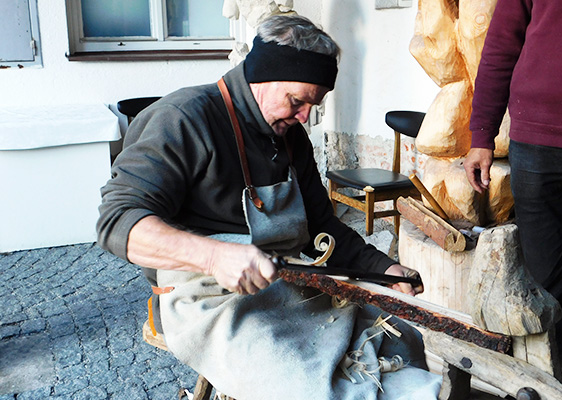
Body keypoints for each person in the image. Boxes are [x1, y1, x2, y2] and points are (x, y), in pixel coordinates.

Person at [97, 14, 441, 399]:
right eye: (297, 101)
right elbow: (116, 223)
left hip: (290, 286)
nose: (305, 117)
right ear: (260, 77)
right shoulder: (183, 118)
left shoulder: (290, 136)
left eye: (314, 105)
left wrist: (383, 268)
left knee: (401, 340)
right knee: (312, 388)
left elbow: (322, 228)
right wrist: (214, 258)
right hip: (208, 300)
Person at [464, 0, 562, 369]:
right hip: (536, 140)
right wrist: (482, 135)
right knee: (543, 281)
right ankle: (560, 379)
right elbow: (501, 42)